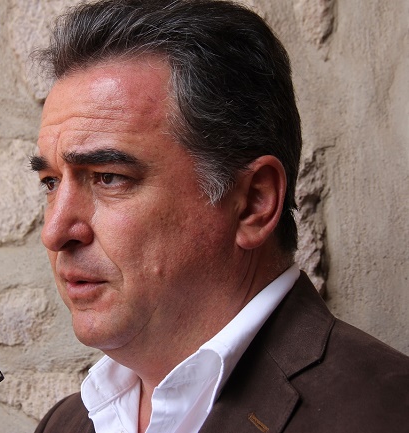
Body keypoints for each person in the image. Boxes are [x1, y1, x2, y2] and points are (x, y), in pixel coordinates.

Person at [29, 1, 409, 432]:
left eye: (109, 178)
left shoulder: (384, 414)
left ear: (254, 203)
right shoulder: (65, 424)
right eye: (50, 182)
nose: (55, 232)